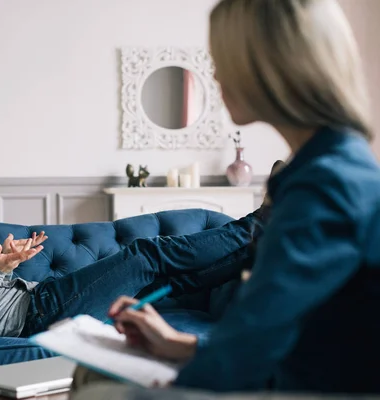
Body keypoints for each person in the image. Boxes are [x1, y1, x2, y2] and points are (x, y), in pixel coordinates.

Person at [80, 0, 380, 395]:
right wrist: (175, 344)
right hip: (294, 377)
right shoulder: (337, 164)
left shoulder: (323, 185)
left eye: (222, 59)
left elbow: (244, 357)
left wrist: (176, 372)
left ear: (267, 68)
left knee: (96, 388)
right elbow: (272, 340)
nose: (217, 74)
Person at [0, 190, 275, 359]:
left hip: (43, 296)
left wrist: (3, 268)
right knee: (144, 256)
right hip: (41, 313)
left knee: (171, 283)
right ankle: (260, 220)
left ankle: (263, 241)